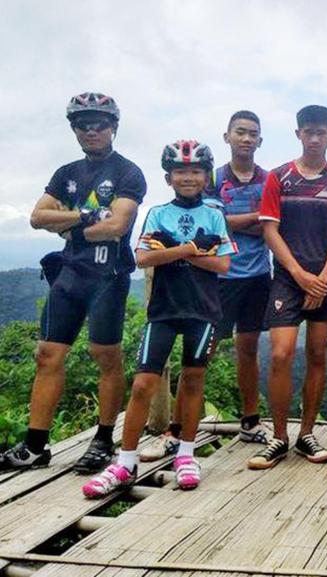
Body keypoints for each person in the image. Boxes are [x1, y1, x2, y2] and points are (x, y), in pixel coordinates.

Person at [0, 93, 146, 473]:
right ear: (74, 129)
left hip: (108, 277)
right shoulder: (66, 173)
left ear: (114, 127)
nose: (91, 130)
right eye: (83, 124)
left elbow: (117, 225)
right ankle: (36, 446)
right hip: (69, 276)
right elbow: (37, 217)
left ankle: (103, 440)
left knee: (106, 356)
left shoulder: (129, 172)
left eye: (100, 123)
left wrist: (67, 226)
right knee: (47, 355)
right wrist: (87, 216)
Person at [81, 140, 234, 497]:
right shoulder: (158, 213)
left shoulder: (214, 214)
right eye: (180, 171)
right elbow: (142, 258)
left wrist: (171, 250)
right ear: (168, 178)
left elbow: (223, 264)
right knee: (142, 385)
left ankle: (186, 455)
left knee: (193, 381)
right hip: (163, 310)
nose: (188, 177)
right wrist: (192, 249)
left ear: (206, 176)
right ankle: (125, 462)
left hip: (203, 310)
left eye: (195, 171)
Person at [140, 110, 270, 462]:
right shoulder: (212, 177)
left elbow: (269, 222)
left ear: (260, 139)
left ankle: (250, 420)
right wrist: (251, 219)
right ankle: (175, 432)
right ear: (227, 136)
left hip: (257, 274)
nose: (246, 138)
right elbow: (214, 222)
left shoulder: (268, 179)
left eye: (252, 133)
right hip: (216, 280)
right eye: (240, 132)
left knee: (249, 349)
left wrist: (234, 223)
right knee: (199, 360)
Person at [247, 105, 327, 469]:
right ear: (298, 134)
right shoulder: (279, 177)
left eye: (321, 132)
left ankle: (306, 433)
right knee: (281, 354)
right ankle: (279, 437)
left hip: (323, 277)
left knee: (318, 355)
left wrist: (322, 279)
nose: (315, 138)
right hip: (287, 278)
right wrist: (298, 275)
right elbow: (270, 230)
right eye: (309, 131)